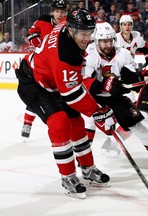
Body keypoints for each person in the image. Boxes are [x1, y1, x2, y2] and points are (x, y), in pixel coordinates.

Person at [16, 8, 111, 199]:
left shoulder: (69, 24)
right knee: (59, 122)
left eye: (89, 33)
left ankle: (88, 168)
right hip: (34, 84)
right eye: (83, 34)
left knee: (76, 123)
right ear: (71, 30)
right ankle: (67, 176)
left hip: (53, 80)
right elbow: (71, 94)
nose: (87, 38)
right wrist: (97, 111)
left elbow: (71, 88)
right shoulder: (64, 55)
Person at [82, 22, 148, 168]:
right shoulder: (88, 55)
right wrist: (104, 86)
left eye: (110, 40)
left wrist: (144, 80)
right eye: (104, 41)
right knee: (87, 126)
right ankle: (84, 164)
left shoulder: (123, 54)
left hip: (116, 98)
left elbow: (131, 78)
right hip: (93, 99)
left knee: (142, 127)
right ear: (96, 41)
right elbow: (84, 82)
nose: (108, 45)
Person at [21, 0, 67, 138]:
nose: (60, 14)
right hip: (41, 65)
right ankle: (27, 123)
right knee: (38, 93)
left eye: (62, 11)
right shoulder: (43, 21)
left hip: (57, 66)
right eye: (57, 11)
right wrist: (40, 47)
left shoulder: (67, 24)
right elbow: (32, 33)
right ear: (52, 11)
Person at [114, 14, 148, 126]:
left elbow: (147, 50)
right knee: (125, 96)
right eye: (124, 24)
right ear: (120, 26)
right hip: (118, 71)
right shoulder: (115, 39)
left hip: (131, 70)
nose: (127, 27)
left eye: (129, 24)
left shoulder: (137, 37)